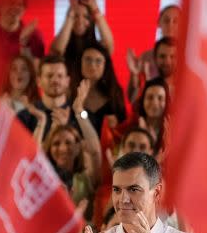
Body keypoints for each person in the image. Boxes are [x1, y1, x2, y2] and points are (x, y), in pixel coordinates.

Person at [43, 80, 102, 211]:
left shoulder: (86, 178)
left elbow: (95, 152)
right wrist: (53, 127)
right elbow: (35, 155)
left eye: (68, 143)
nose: (63, 148)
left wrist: (79, 111)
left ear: (78, 147)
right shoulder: (44, 177)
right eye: (56, 144)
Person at [50, 0, 115, 77]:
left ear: (92, 20)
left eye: (86, 17)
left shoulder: (96, 47)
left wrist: (95, 10)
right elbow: (57, 52)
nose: (80, 21)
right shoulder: (63, 46)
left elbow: (109, 45)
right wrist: (70, 15)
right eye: (76, 16)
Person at [70, 42, 127, 136]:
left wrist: (116, 128)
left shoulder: (114, 93)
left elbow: (124, 129)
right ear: (80, 62)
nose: (92, 65)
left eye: (98, 61)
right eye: (88, 59)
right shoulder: (69, 92)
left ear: (105, 66)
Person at [126, 5, 180, 102]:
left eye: (175, 21)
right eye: (166, 20)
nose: (170, 25)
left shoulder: (190, 60)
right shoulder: (146, 57)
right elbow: (132, 98)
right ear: (159, 23)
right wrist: (134, 74)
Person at [17, 54, 80, 136]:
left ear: (67, 81)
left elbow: (92, 148)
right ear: (39, 81)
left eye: (60, 76)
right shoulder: (25, 116)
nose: (55, 80)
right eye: (49, 76)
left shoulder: (79, 114)